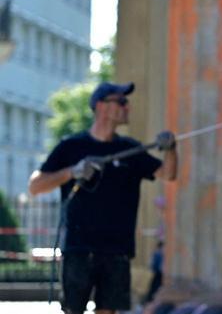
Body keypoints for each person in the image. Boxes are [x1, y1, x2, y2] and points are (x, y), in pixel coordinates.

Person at [28, 81, 178, 314]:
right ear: (101, 106)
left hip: (117, 250)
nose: (127, 107)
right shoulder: (72, 146)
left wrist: (170, 149)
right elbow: (36, 186)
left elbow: (168, 173)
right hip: (79, 248)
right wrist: (72, 171)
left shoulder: (131, 149)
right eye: (121, 101)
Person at [142, 239, 164, 304]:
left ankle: (150, 300)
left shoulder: (157, 253)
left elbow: (152, 265)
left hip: (157, 274)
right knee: (155, 288)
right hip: (159, 274)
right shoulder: (159, 254)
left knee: (154, 289)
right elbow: (155, 265)